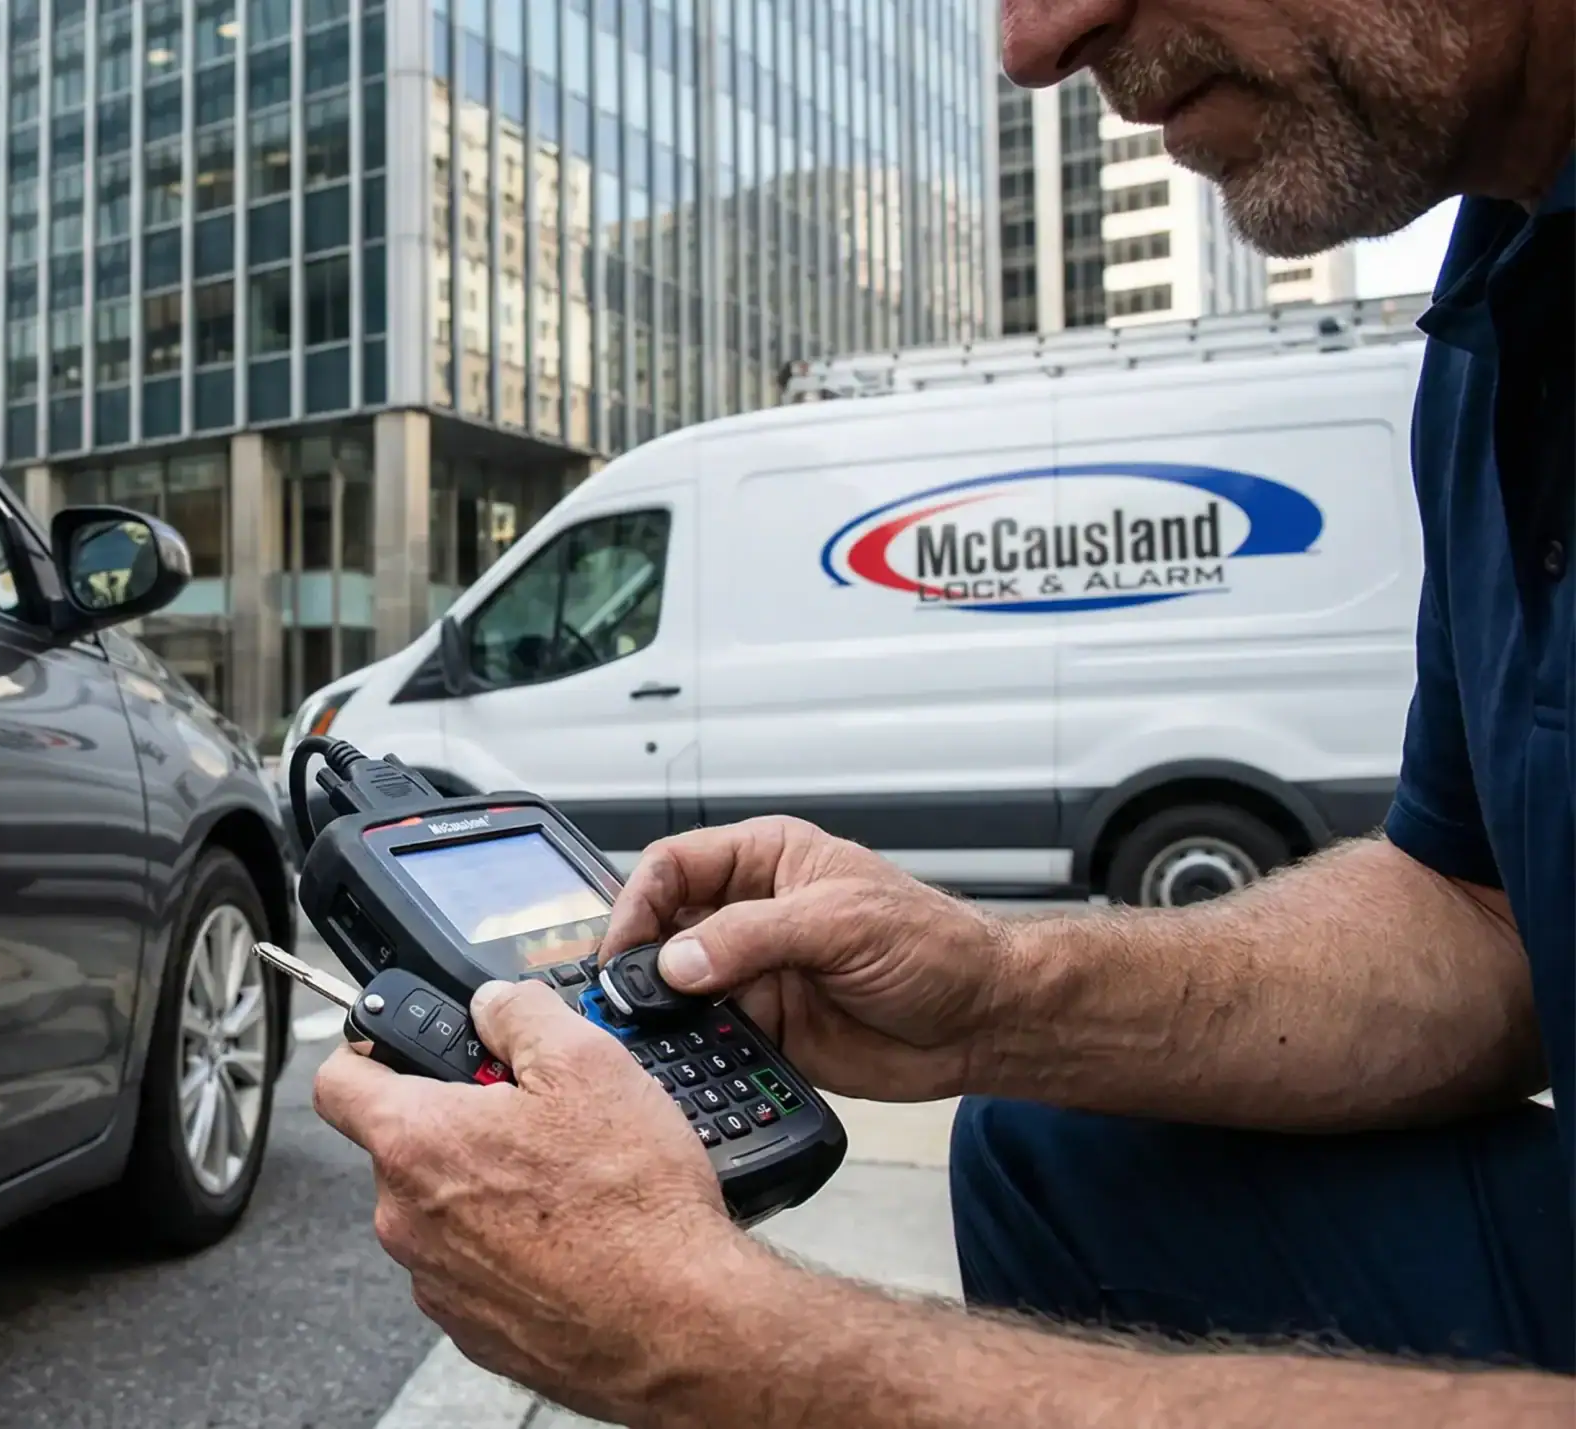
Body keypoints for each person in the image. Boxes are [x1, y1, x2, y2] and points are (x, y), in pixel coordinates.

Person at [313, 0, 1576, 1423]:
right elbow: (1489, 923)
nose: (1037, 43)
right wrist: (997, 990)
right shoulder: (1497, 315)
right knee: (1054, 1136)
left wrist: (733, 1350)